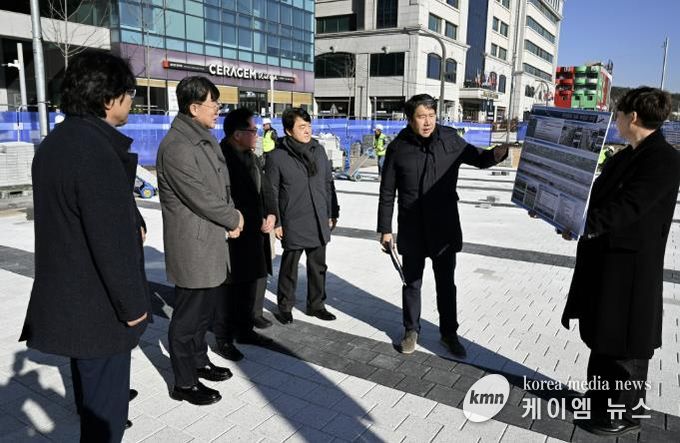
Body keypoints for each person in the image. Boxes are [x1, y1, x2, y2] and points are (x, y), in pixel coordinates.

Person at [19, 51, 150, 442]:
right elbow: (109, 242)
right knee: (105, 421)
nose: (132, 101)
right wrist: (134, 307)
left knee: (93, 399)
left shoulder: (57, 142)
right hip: (100, 309)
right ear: (108, 98)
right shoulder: (95, 151)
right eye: (129, 92)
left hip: (73, 299)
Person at [560, 87, 680, 437]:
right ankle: (600, 401)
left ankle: (624, 413)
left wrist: (582, 224)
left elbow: (628, 208)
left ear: (633, 117)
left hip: (631, 268)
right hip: (607, 261)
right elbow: (596, 197)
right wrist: (564, 213)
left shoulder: (663, 160)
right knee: (604, 335)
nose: (616, 120)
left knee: (626, 341)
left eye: (619, 114)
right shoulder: (627, 154)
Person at [377, 94, 508, 357]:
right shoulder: (398, 148)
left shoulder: (450, 139)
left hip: (444, 227)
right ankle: (411, 330)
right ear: (410, 119)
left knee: (446, 284)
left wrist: (498, 153)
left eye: (431, 116)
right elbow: (387, 192)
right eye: (421, 116)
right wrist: (385, 229)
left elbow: (479, 158)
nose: (427, 122)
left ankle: (449, 333)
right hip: (412, 227)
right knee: (412, 283)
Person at [156, 76, 244, 406]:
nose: (218, 108)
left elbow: (219, 189)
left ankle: (199, 361)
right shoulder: (178, 146)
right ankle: (184, 382)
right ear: (194, 108)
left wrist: (230, 216)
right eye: (213, 103)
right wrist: (233, 218)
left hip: (209, 240)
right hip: (193, 244)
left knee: (204, 313)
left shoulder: (202, 138)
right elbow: (199, 196)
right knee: (187, 318)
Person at [213, 108, 278, 361]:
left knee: (250, 284)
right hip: (233, 233)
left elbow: (266, 189)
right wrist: (233, 222)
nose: (257, 134)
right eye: (253, 130)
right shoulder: (220, 159)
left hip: (255, 232)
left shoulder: (252, 157)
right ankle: (224, 338)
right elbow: (220, 199)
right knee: (230, 291)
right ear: (237, 134)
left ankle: (245, 329)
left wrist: (271, 213)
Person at [265, 107, 340, 324]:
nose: (307, 131)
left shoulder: (319, 150)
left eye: (308, 126)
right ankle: (285, 306)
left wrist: (332, 211)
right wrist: (277, 221)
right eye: (301, 127)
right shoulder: (277, 156)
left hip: (318, 217)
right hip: (293, 219)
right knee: (289, 268)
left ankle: (316, 305)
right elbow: (271, 191)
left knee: (318, 267)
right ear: (289, 131)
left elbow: (328, 183)